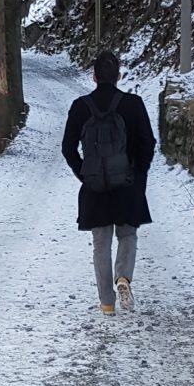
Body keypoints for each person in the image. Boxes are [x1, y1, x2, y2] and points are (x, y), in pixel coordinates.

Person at [61, 51, 156, 315]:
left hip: (95, 188)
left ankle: (106, 303)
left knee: (101, 244)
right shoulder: (133, 104)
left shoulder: (80, 107)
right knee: (127, 234)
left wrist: (85, 173)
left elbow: (67, 148)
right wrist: (138, 174)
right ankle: (123, 276)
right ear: (119, 76)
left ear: (93, 76)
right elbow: (148, 143)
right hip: (127, 184)